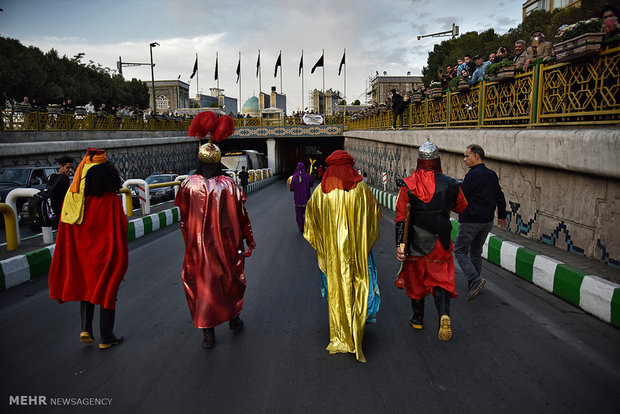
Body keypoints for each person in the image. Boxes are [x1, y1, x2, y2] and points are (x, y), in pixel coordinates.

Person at [175, 112, 256, 349]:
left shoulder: (188, 185)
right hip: (227, 245)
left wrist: (189, 240)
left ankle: (207, 333)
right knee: (229, 280)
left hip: (198, 247)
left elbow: (182, 217)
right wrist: (249, 240)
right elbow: (242, 216)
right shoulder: (229, 184)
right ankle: (233, 319)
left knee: (201, 285)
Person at [304, 150, 381, 362]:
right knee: (357, 285)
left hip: (333, 254)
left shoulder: (321, 193)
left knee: (337, 290)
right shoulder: (362, 189)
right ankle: (357, 330)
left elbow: (310, 225)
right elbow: (374, 217)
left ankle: (340, 334)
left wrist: (324, 245)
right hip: (357, 252)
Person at [48, 148, 128, 349]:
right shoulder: (111, 200)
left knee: (87, 289)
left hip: (83, 255)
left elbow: (66, 229)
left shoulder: (76, 201)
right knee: (108, 291)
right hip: (106, 254)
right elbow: (123, 227)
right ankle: (106, 337)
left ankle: (86, 329)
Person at [394, 141, 467, 341]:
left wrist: (400, 244)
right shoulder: (451, 184)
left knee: (416, 282)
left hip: (416, 244)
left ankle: (417, 319)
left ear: (419, 161)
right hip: (441, 243)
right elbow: (461, 207)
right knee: (441, 281)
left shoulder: (407, 185)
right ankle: (443, 315)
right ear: (437, 161)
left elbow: (401, 217)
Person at [454, 144, 507, 301]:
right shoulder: (491, 174)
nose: (465, 159)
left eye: (467, 156)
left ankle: (474, 279)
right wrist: (502, 216)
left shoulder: (473, 175)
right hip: (486, 222)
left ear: (476, 156)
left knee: (459, 250)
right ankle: (474, 283)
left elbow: (461, 195)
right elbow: (500, 196)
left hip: (471, 221)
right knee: (476, 252)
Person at [46, 155, 74, 226]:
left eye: (71, 168)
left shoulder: (51, 176)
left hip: (51, 212)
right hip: (61, 212)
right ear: (61, 167)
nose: (70, 170)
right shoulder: (65, 178)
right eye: (68, 167)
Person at [289, 162, 314, 233]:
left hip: (297, 200)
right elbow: (312, 184)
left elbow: (291, 188)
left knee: (299, 214)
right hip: (306, 198)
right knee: (307, 213)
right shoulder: (308, 176)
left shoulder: (294, 177)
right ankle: (307, 226)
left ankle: (301, 227)